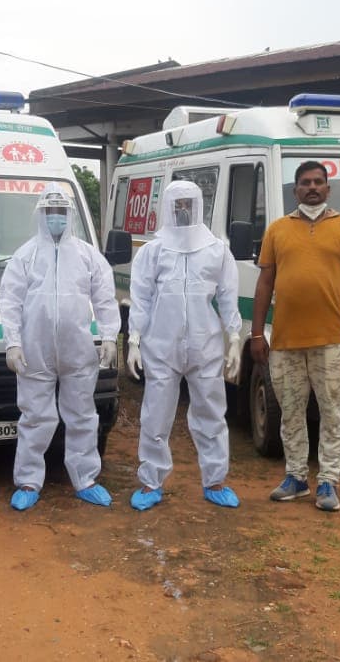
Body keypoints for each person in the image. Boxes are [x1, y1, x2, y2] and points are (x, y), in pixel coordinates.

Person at [250, 161, 340, 513]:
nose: (312, 187)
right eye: (305, 183)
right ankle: (296, 478)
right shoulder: (277, 230)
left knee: (333, 413)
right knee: (290, 412)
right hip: (286, 341)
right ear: (296, 190)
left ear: (328, 188)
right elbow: (264, 283)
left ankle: (329, 482)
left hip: (332, 339)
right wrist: (257, 333)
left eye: (319, 182)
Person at [0, 186, 120, 511]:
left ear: (70, 216)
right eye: (50, 212)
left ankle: (86, 479)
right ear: (40, 215)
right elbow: (10, 302)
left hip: (78, 350)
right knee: (35, 416)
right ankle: (28, 480)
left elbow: (106, 299)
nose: (56, 218)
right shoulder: (25, 256)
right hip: (34, 350)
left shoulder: (87, 256)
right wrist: (12, 342)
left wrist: (110, 336)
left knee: (82, 414)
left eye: (61, 212)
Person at [127, 180, 243, 511]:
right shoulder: (153, 250)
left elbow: (227, 298)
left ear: (198, 206)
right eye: (176, 205)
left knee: (211, 413)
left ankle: (215, 480)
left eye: (187, 204)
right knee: (156, 415)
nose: (182, 211)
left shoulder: (217, 250)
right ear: (166, 207)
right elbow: (141, 298)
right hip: (160, 346)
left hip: (205, 345)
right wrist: (134, 339)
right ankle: (151, 481)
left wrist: (234, 337)